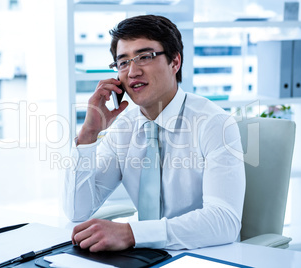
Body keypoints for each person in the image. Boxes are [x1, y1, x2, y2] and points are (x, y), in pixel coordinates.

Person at [63, 15, 246, 252]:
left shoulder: (215, 124)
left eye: (145, 57)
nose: (132, 72)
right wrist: (88, 135)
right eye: (123, 62)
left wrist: (132, 233)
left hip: (205, 255)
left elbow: (224, 221)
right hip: (144, 256)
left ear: (175, 62)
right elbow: (78, 210)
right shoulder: (123, 127)